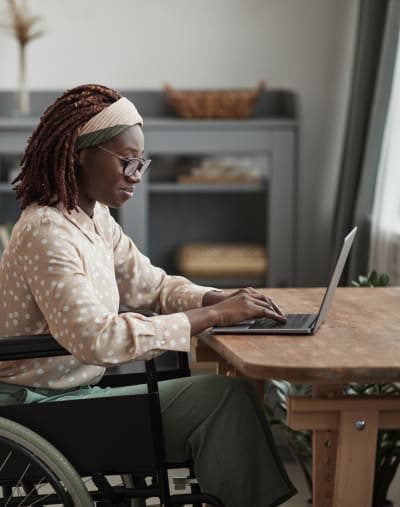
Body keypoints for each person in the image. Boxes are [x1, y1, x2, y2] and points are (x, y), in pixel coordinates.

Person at [0, 84, 296, 506]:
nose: (136, 175)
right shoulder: (46, 232)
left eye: (141, 162)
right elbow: (96, 339)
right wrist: (211, 319)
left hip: (75, 400)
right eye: (127, 161)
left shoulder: (92, 217)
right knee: (221, 399)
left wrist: (217, 298)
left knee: (223, 395)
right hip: (43, 410)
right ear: (77, 153)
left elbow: (152, 285)